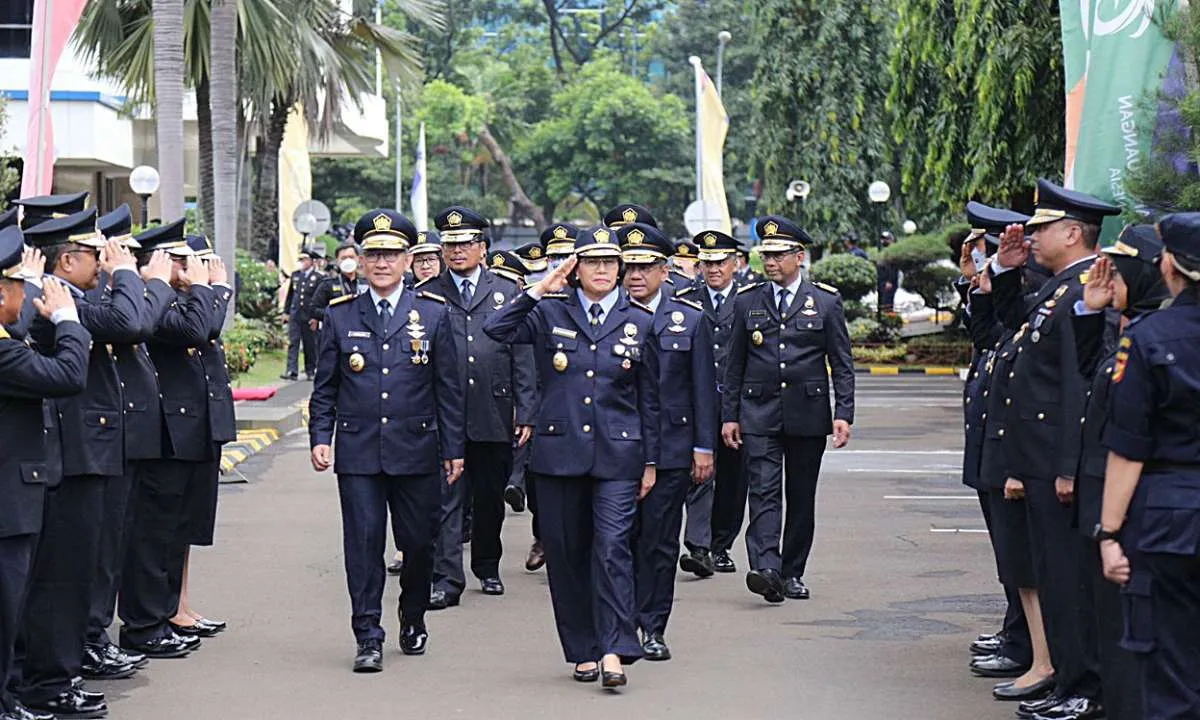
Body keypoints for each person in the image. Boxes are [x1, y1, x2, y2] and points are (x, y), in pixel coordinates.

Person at [484, 224, 660, 688]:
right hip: (559, 454)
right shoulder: (550, 313)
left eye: (609, 262)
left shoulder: (640, 320)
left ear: (620, 268)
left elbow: (651, 399)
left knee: (612, 549)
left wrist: (651, 461)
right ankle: (581, 648)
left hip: (619, 457)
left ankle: (615, 649)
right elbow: (496, 329)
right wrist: (540, 287)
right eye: (591, 262)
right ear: (575, 268)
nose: (601, 270)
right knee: (566, 553)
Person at [308, 209, 465, 673]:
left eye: (391, 254)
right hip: (358, 452)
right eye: (373, 254)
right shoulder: (340, 316)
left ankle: (412, 615)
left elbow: (448, 389)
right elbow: (326, 386)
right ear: (359, 259)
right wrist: (321, 436)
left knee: (419, 545)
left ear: (407, 259)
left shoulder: (433, 315)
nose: (382, 263)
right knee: (363, 545)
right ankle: (367, 634)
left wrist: (454, 448)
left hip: (417, 450)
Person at [990, 179, 1119, 720]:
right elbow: (1014, 327)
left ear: (1073, 232)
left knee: (1070, 582)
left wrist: (1068, 465)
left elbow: (1079, 387)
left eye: (1042, 229)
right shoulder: (1058, 287)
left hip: (1057, 462)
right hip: (1038, 458)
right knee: (1053, 574)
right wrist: (1005, 272)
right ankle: (1065, 678)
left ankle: (1083, 686)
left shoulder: (1084, 291)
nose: (1033, 236)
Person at [16, 207, 147, 719]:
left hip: (82, 450)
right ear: (66, 260)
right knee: (62, 578)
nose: (105, 262)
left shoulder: (56, 294)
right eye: (97, 255)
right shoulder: (50, 296)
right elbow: (129, 321)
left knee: (76, 572)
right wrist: (129, 275)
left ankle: (58, 672)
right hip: (69, 456)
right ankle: (50, 678)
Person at [721, 215, 855, 603]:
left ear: (800, 256)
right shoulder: (747, 301)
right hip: (758, 412)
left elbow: (842, 364)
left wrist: (843, 412)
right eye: (766, 254)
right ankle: (766, 567)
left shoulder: (825, 302)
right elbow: (734, 365)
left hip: (808, 414)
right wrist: (730, 415)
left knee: (800, 495)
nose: (771, 261)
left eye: (779, 255)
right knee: (762, 491)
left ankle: (792, 571)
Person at [1100, 212, 1200, 720]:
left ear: (1169, 267)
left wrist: (1109, 533)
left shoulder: (1148, 337)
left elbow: (1128, 447)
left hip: (1169, 522)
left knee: (1169, 669)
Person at [1072, 225, 1166, 720]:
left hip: (1135, 504)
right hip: (1105, 491)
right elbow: (1092, 372)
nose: (1109, 276)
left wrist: (1111, 527)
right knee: (1105, 617)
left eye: (1120, 270)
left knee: (1129, 627)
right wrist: (1092, 309)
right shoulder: (1131, 326)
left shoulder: (1154, 336)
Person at [0, 228, 92, 720]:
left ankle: (9, 697)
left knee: (12, 605)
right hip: (8, 502)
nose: (28, 295)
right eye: (22, 286)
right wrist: (68, 319)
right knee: (6, 607)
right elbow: (67, 376)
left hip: (16, 494)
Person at [424, 206, 536, 609]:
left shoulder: (507, 291)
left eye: (466, 243)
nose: (457, 251)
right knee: (445, 496)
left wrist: (525, 409)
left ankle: (487, 566)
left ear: (483, 248)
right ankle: (446, 576)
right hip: (443, 413)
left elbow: (521, 352)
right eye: (450, 244)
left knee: (489, 497)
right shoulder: (428, 294)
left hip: (495, 409)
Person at [615, 222, 715, 661]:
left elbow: (703, 389)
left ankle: (652, 625)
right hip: (618, 448)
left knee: (658, 542)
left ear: (666, 269)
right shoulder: (609, 317)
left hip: (674, 448)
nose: (636, 275)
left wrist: (704, 447)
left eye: (646, 266)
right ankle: (619, 625)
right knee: (616, 541)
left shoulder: (689, 319)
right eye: (629, 266)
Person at [118, 218, 216, 664]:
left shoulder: (165, 299)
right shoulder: (150, 301)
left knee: (171, 532)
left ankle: (161, 617)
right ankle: (145, 623)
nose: (186, 269)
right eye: (176, 261)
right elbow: (198, 330)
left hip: (176, 430)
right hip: (157, 432)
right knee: (151, 536)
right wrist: (209, 289)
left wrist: (203, 291)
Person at [82, 204, 172, 681]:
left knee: (112, 544)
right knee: (97, 551)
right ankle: (91, 638)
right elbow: (134, 324)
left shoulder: (111, 285)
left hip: (117, 429)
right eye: (114, 252)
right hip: (94, 434)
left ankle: (95, 636)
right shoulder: (97, 289)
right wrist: (149, 282)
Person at [955, 203, 1035, 687]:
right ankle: (1015, 632)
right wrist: (977, 286)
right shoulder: (1007, 296)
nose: (986, 262)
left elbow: (1005, 337)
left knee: (1020, 553)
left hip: (1014, 443)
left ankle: (1024, 642)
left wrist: (997, 284)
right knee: (1009, 552)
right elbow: (986, 339)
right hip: (992, 438)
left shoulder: (1031, 297)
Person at [168, 234, 235, 638]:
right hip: (179, 429)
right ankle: (170, 608)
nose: (201, 271)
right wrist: (216, 290)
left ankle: (182, 604)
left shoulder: (193, 301)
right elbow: (201, 329)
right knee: (171, 529)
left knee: (190, 527)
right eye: (193, 263)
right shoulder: (169, 303)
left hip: (202, 426)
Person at [676, 230, 745, 575]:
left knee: (734, 480)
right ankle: (698, 546)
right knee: (700, 473)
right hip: (695, 400)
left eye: (721, 262)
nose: (714, 269)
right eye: (708, 263)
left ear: (735, 264)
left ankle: (721, 545)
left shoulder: (750, 300)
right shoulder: (685, 299)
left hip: (739, 403)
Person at [281, 247, 318, 380]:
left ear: (312, 261)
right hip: (295, 314)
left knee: (310, 344)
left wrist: (316, 316)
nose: (302, 262)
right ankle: (292, 370)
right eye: (301, 259)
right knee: (293, 342)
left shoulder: (318, 277)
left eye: (305, 259)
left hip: (309, 315)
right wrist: (286, 312)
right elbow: (290, 295)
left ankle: (310, 370)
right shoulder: (296, 275)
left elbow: (319, 298)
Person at [310, 241, 367, 327]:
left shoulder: (367, 283)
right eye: (343, 258)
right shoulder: (327, 284)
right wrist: (334, 314)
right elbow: (313, 309)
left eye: (351, 257)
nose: (348, 261)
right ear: (337, 261)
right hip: (336, 331)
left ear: (358, 259)